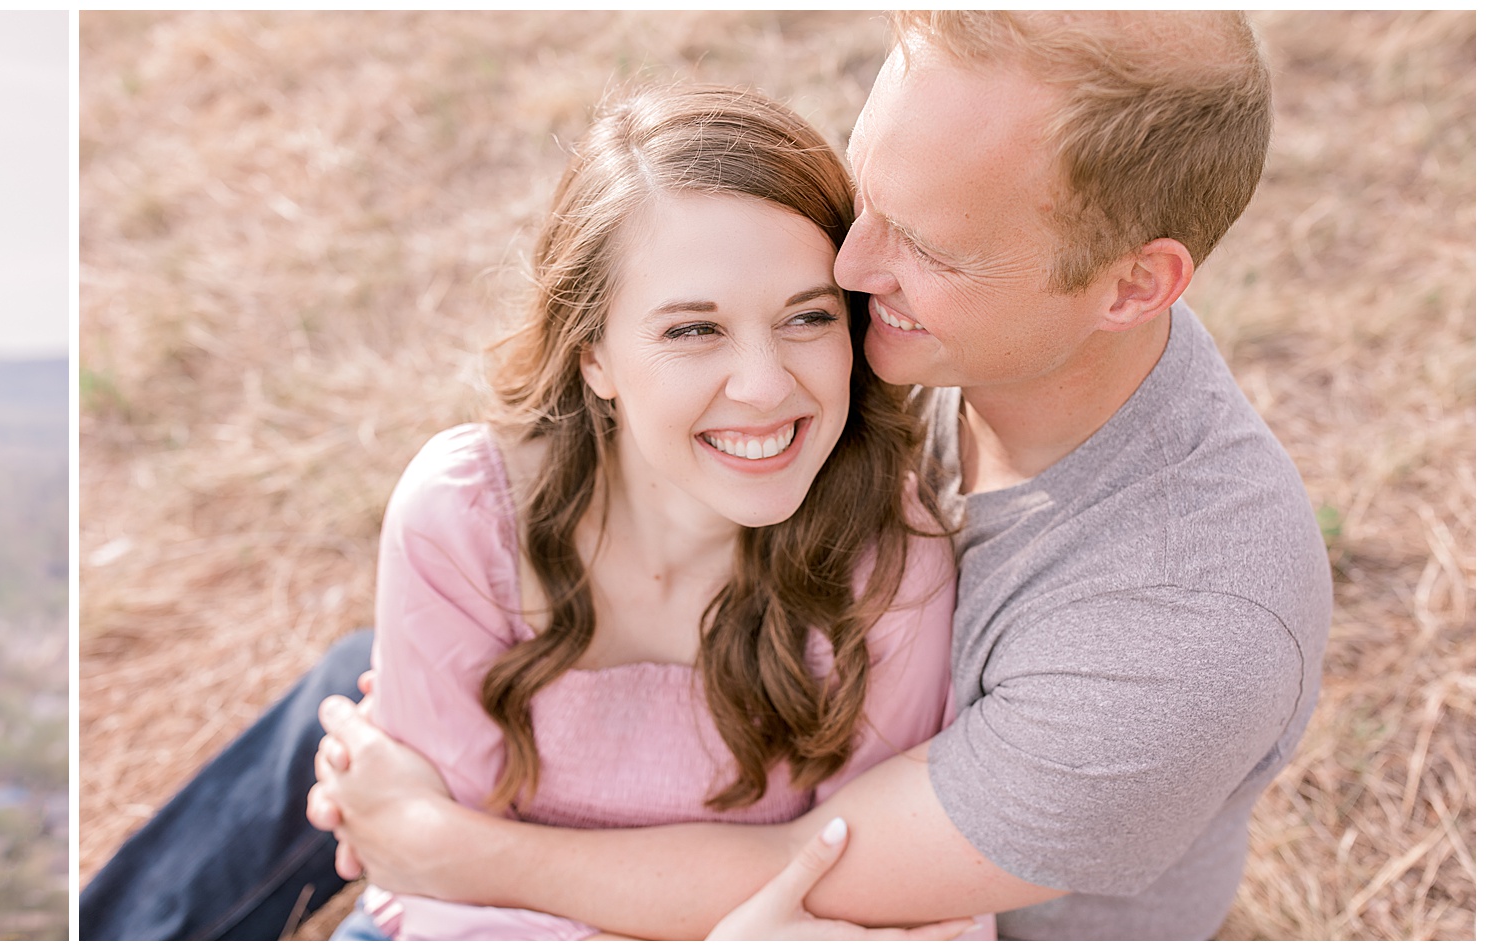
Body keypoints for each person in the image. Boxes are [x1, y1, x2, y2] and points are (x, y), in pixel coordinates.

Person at [84, 10, 1332, 941]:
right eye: (867, 194)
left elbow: (810, 874)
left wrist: (445, 849)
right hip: (768, 713)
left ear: (1132, 286)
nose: (847, 263)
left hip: (893, 913)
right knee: (370, 681)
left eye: (926, 243)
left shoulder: (1188, 626)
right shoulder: (967, 325)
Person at [318, 85, 983, 941]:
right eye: (693, 331)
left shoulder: (887, 561)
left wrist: (451, 846)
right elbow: (428, 893)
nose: (765, 385)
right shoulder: (468, 517)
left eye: (807, 317)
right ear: (594, 353)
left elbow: (897, 900)